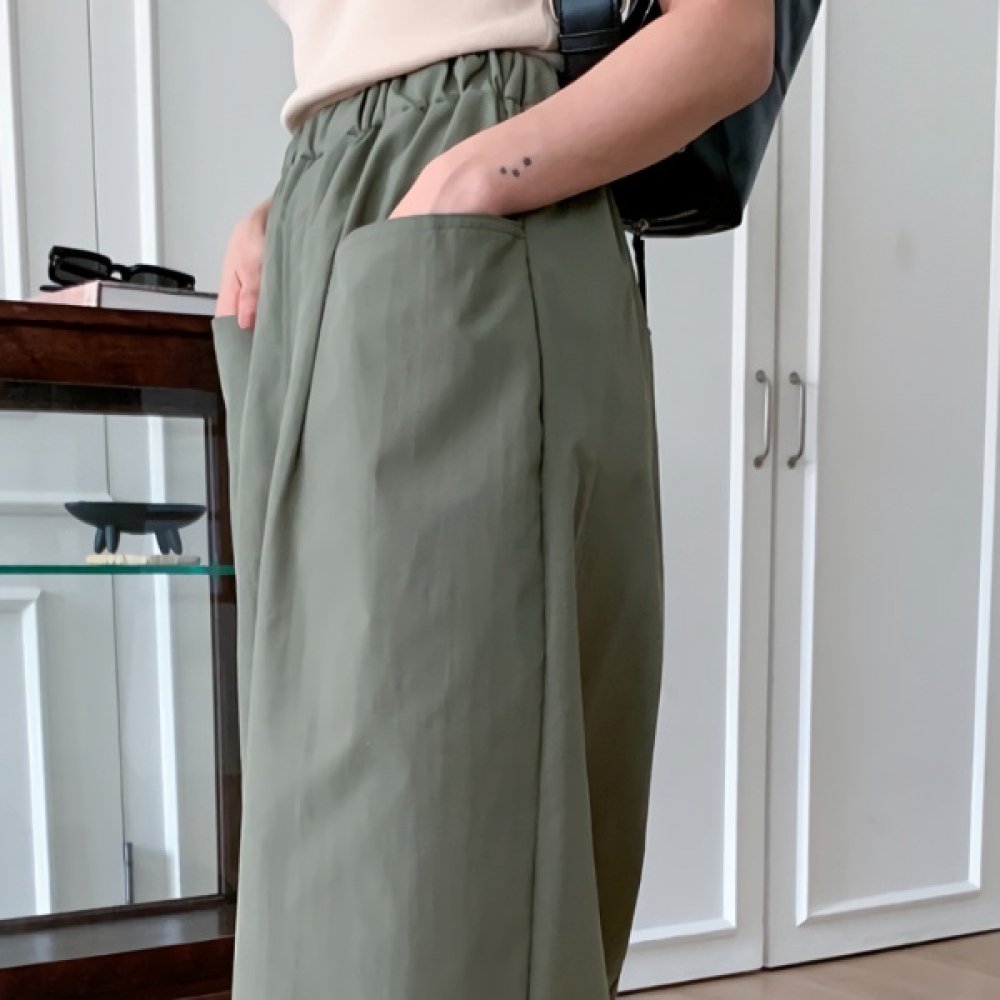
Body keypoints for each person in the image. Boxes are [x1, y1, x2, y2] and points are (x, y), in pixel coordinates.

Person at [211, 2, 773, 997]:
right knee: (318, 865)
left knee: (434, 860)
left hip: (471, 215)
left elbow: (729, 34)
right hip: (322, 229)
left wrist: (469, 175)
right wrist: (288, 199)